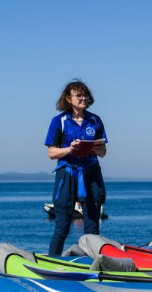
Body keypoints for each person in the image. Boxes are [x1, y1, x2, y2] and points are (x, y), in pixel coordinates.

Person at [45, 80, 108, 256]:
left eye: (85, 95)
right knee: (62, 227)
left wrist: (98, 148)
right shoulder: (59, 121)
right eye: (78, 95)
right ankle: (53, 261)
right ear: (68, 98)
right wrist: (69, 149)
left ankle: (92, 263)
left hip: (91, 173)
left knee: (92, 228)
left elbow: (104, 153)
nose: (83, 98)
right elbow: (51, 153)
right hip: (67, 174)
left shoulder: (95, 120)